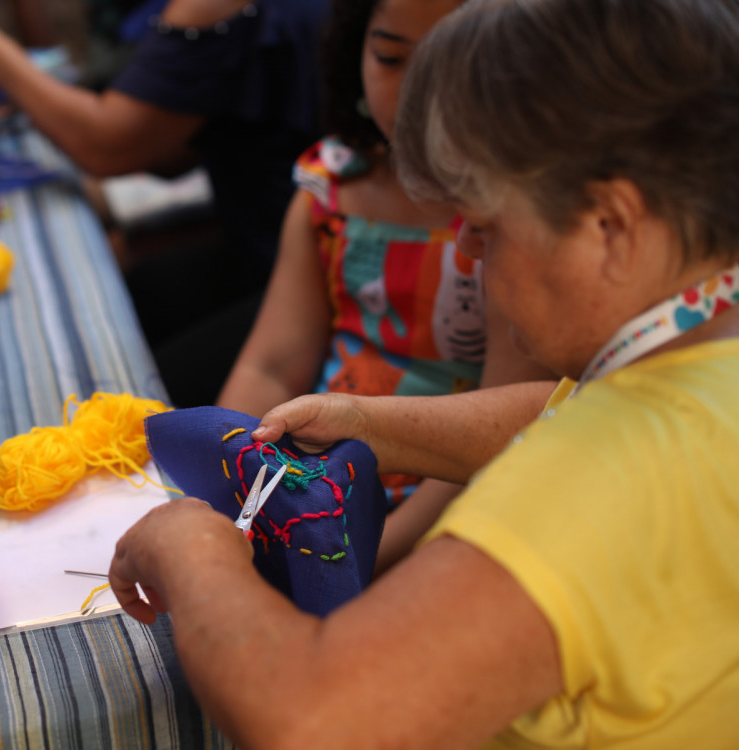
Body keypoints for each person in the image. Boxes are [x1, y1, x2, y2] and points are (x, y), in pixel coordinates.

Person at [109, 0, 739, 746]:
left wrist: (192, 551)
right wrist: (366, 423)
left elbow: (312, 720)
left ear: (610, 227)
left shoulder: (595, 482)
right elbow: (556, 412)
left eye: (486, 226)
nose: (468, 254)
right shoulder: (696, 361)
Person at [216, 0, 551, 571]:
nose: (418, 91)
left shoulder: (514, 223)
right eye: (392, 57)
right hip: (310, 480)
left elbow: (496, 437)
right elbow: (270, 368)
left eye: (452, 61)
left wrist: (366, 557)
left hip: (443, 506)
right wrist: (220, 489)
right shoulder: (329, 192)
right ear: (354, 53)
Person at [0, 0, 331, 406]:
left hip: (302, 259)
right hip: (272, 234)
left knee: (146, 390)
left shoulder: (215, 8)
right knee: (141, 291)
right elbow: (170, 150)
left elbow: (108, 147)